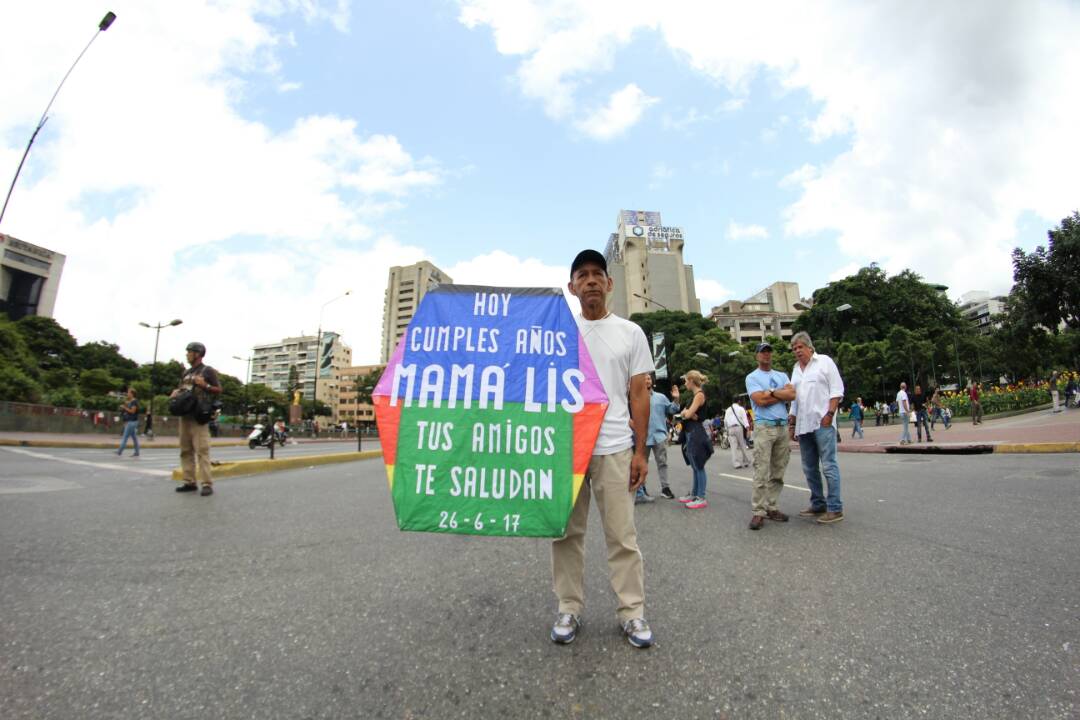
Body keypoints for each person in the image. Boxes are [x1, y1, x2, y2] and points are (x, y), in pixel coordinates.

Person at [550, 249, 655, 650]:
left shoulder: (631, 333)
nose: (591, 280)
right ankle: (568, 607)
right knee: (565, 534)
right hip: (566, 451)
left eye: (598, 274)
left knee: (622, 537)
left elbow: (639, 393)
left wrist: (641, 452)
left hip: (615, 448)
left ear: (609, 284)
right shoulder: (559, 333)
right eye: (583, 275)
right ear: (572, 287)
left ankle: (632, 613)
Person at [788, 332, 845, 524]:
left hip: (822, 422)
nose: (797, 351)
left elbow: (836, 390)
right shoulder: (796, 369)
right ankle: (818, 503)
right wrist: (792, 423)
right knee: (809, 468)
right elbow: (794, 399)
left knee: (828, 465)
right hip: (804, 426)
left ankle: (835, 508)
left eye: (800, 347)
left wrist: (829, 415)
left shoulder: (824, 362)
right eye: (794, 349)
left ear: (809, 347)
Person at [745, 342, 796, 530]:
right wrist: (781, 394)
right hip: (764, 427)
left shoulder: (781, 375)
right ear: (756, 356)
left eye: (768, 352)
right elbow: (760, 400)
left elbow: (792, 394)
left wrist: (773, 393)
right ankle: (758, 511)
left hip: (782, 427)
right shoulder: (752, 377)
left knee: (778, 471)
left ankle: (772, 506)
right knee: (761, 471)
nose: (766, 355)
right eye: (762, 352)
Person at [173, 342, 222, 496]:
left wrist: (205, 385)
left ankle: (207, 483)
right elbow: (183, 388)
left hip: (199, 414)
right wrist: (176, 392)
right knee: (185, 450)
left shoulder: (208, 371)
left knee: (202, 450)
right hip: (185, 414)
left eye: (189, 352)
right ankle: (189, 481)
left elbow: (219, 390)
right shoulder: (186, 373)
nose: (187, 354)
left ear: (198, 354)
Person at [674, 370, 713, 509]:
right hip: (691, 431)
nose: (685, 384)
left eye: (686, 381)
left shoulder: (699, 395)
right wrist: (687, 414)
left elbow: (687, 413)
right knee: (695, 467)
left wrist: (687, 413)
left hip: (696, 432)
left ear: (691, 380)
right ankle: (695, 494)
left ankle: (701, 497)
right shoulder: (693, 397)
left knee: (699, 466)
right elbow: (685, 413)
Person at [639, 374, 679, 500]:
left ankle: (665, 488)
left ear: (652, 381)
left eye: (649, 378)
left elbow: (672, 409)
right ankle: (641, 489)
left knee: (662, 463)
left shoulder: (661, 397)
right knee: (642, 464)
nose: (647, 381)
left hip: (659, 435)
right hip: (643, 436)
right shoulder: (636, 398)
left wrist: (676, 399)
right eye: (644, 379)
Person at [723, 398, 753, 469]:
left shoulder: (727, 410)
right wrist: (748, 429)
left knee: (733, 447)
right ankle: (745, 461)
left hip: (730, 429)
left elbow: (725, 421)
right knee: (742, 444)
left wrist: (727, 430)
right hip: (738, 428)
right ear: (739, 401)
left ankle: (736, 463)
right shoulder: (741, 409)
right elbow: (745, 420)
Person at [116, 388, 141, 457]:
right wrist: (125, 406)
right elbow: (129, 408)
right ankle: (137, 452)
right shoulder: (131, 401)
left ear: (132, 394)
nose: (127, 394)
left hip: (132, 422)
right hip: (132, 421)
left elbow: (132, 411)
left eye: (129, 393)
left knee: (125, 437)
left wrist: (124, 407)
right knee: (134, 438)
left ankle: (119, 451)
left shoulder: (134, 402)